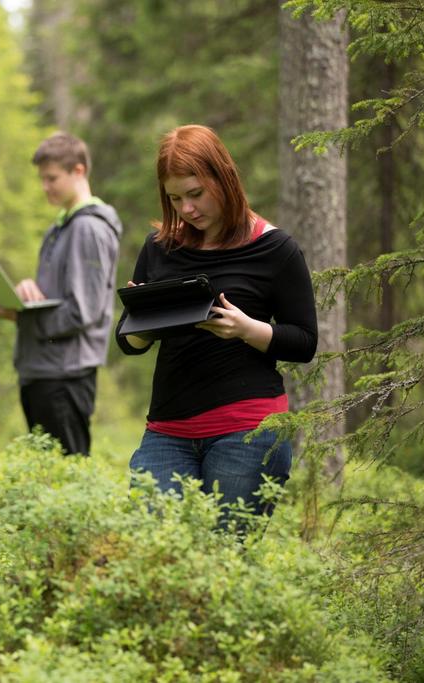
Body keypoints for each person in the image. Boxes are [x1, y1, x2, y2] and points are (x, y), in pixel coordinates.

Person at [117, 124, 317, 524]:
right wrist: (144, 319)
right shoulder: (160, 248)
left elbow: (304, 342)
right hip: (167, 431)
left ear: (223, 179)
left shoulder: (275, 249)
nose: (186, 209)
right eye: (175, 199)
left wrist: (247, 329)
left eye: (196, 194)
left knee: (226, 558)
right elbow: (129, 342)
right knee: (157, 550)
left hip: (248, 432)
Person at [0, 132, 122, 456]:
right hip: (41, 371)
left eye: (52, 178)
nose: (45, 187)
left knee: (67, 479)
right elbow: (55, 302)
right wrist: (14, 306)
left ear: (79, 171)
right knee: (47, 480)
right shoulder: (59, 228)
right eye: (42, 178)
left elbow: (83, 311)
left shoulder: (88, 228)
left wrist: (25, 316)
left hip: (65, 376)